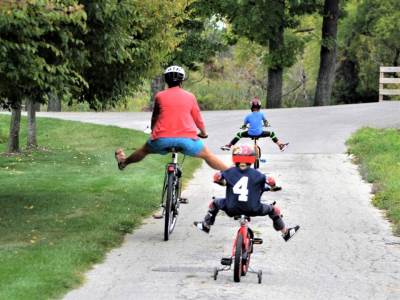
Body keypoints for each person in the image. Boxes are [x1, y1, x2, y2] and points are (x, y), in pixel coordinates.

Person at [115, 65, 228, 171]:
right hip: (187, 140)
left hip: (161, 140)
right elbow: (198, 119)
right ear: (182, 80)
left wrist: (154, 132)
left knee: (144, 150)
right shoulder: (190, 96)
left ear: (166, 80)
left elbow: (155, 117)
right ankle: (232, 173)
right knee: (208, 155)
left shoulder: (160, 96)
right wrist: (203, 133)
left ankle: (124, 162)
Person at [194, 145, 300, 242]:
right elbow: (271, 181)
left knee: (214, 203)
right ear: (252, 159)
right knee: (274, 210)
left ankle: (206, 225)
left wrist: (221, 181)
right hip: (254, 209)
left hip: (231, 208)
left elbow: (216, 177)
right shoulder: (258, 175)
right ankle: (285, 233)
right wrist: (273, 187)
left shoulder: (228, 171)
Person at [220, 97, 288, 151]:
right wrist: (266, 125)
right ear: (259, 106)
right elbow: (266, 122)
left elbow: (244, 126)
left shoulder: (248, 116)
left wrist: (244, 127)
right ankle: (280, 145)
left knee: (239, 135)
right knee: (271, 134)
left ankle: (229, 145)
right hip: (260, 133)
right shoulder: (261, 114)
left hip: (250, 133)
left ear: (251, 107)